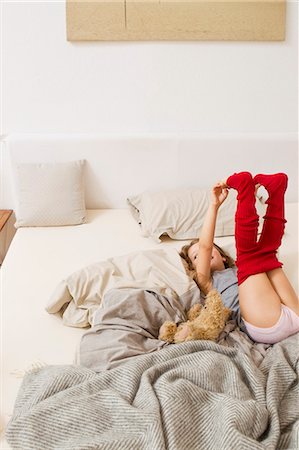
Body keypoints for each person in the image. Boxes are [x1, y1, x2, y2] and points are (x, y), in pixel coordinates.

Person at [180, 172, 299, 344]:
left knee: (268, 253)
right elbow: (206, 246)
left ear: (222, 255)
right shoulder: (207, 282)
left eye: (212, 250)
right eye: (196, 257)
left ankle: (277, 191)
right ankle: (244, 190)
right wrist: (214, 205)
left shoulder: (238, 269)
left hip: (291, 312)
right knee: (251, 256)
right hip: (265, 326)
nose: (205, 253)